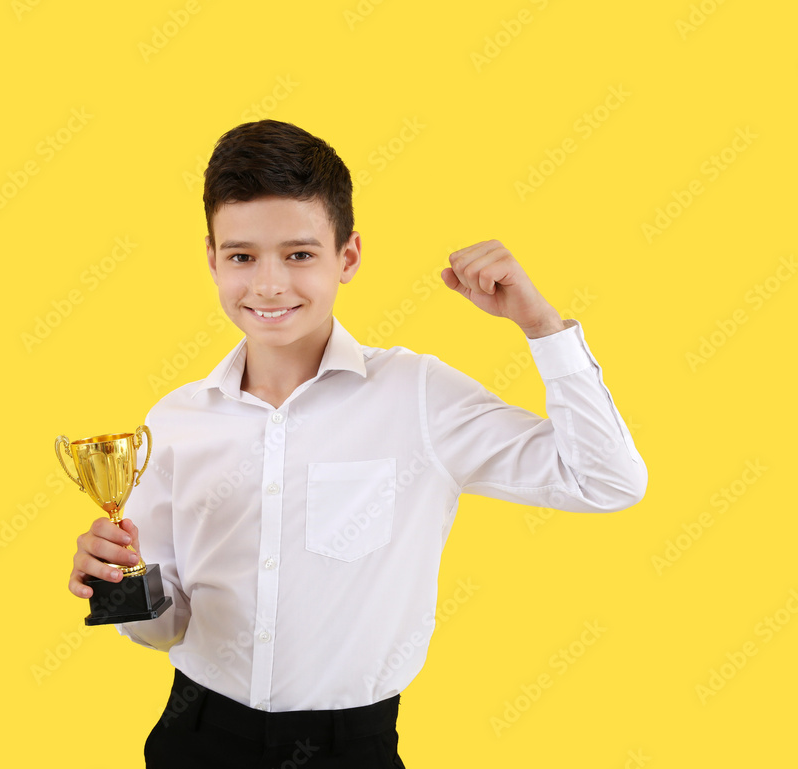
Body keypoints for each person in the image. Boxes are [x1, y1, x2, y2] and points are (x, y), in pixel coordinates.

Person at [68, 119, 647, 768]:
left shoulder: (418, 396)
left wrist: (541, 326)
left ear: (347, 256)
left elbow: (607, 480)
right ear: (211, 258)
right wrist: (122, 584)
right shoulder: (176, 419)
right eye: (241, 256)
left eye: (299, 254)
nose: (268, 284)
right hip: (195, 735)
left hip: (349, 749)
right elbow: (166, 626)